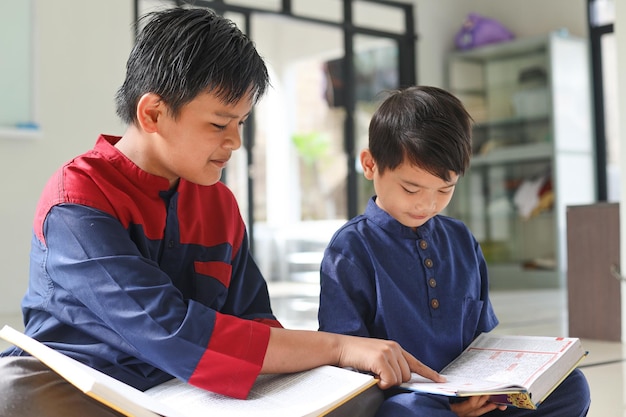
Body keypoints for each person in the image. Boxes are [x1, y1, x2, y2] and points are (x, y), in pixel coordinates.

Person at [0, 9, 443, 417]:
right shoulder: (78, 199)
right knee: (12, 396)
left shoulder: (218, 203)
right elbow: (169, 329)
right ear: (153, 113)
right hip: (86, 387)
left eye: (241, 123)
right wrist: (339, 347)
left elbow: (254, 318)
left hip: (188, 392)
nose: (235, 142)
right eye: (218, 124)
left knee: (362, 395)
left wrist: (326, 371)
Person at [317, 85, 591, 417]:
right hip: (407, 399)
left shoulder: (460, 239)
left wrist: (492, 386)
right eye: (411, 188)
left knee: (572, 385)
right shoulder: (351, 248)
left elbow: (480, 342)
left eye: (445, 189)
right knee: (409, 414)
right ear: (370, 165)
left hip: (473, 393)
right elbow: (344, 360)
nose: (427, 204)